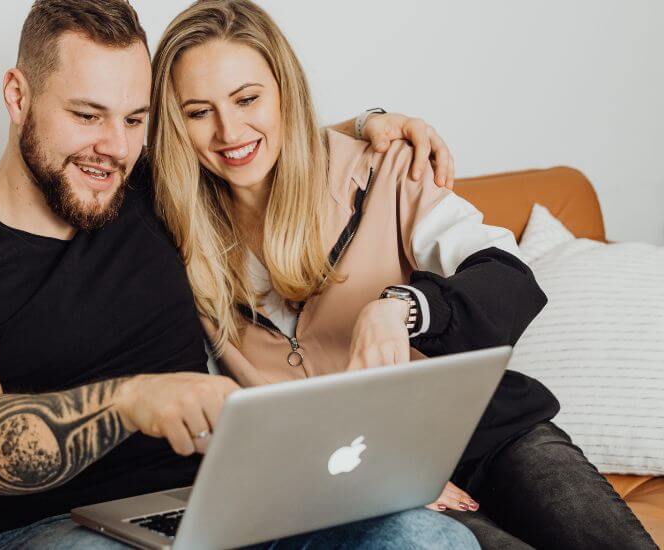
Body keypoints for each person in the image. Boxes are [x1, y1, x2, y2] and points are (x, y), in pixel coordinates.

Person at [0, 1, 476, 548]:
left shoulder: (146, 192)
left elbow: (244, 138)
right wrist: (132, 401)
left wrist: (370, 125)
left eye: (135, 119)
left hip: (223, 506)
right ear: (17, 94)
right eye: (87, 115)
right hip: (55, 529)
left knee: (427, 539)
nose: (112, 147)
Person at [147, 1, 658, 549]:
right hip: (358, 480)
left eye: (248, 98)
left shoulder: (384, 169)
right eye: (198, 112)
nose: (229, 130)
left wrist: (401, 307)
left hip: (489, 434)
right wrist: (391, 474)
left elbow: (509, 277)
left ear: (284, 91)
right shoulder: (169, 232)